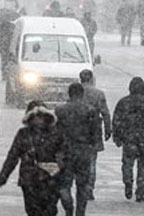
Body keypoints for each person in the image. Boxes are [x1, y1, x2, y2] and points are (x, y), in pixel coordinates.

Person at [0, 101, 66, 216]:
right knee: (49, 210)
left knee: (34, 211)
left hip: (30, 179)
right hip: (50, 178)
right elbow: (65, 155)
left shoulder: (24, 133)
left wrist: (4, 175)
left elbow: (13, 156)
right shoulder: (56, 133)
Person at [112, 77, 144, 202]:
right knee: (143, 165)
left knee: (127, 163)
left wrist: (117, 137)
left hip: (128, 139)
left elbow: (116, 121)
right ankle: (140, 192)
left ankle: (128, 182)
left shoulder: (123, 102)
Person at [55, 83, 98, 216]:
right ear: (82, 94)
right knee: (82, 185)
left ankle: (68, 206)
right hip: (83, 151)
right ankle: (80, 212)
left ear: (69, 93)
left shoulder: (60, 110)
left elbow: (55, 133)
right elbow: (95, 133)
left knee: (64, 184)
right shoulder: (90, 110)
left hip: (66, 152)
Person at [79, 70, 111, 199]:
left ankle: (81, 186)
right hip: (94, 130)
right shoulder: (98, 94)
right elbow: (105, 113)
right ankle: (89, 188)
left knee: (78, 161)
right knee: (92, 161)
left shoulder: (75, 92)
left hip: (77, 130)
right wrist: (108, 129)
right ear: (92, 79)